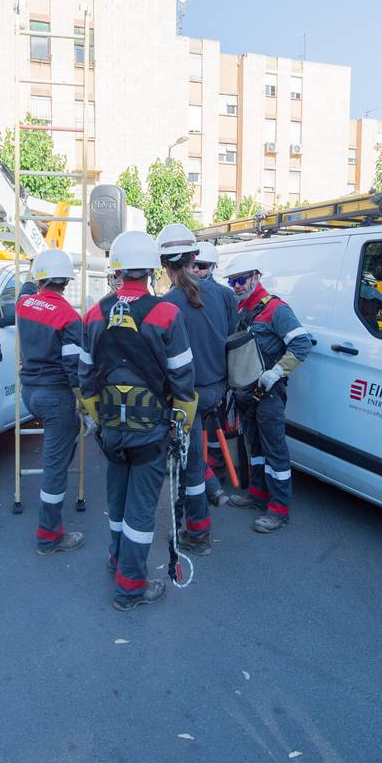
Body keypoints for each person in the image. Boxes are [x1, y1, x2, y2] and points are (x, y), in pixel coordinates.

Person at [80, 231, 197, 611]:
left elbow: (85, 380)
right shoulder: (167, 314)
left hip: (111, 430)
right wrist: (183, 427)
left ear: (116, 270)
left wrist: (100, 421)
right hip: (150, 431)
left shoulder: (94, 314)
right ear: (151, 269)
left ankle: (117, 559)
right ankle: (130, 587)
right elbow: (183, 380)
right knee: (142, 510)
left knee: (118, 501)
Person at [157, 225, 235, 555]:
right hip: (217, 390)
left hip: (189, 396)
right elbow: (230, 339)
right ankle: (213, 486)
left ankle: (198, 533)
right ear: (194, 258)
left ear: (164, 265)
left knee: (188, 465)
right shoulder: (225, 295)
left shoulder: (169, 303)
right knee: (192, 458)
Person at [223, 255, 312, 533]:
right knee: (255, 447)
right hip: (246, 393)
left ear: (256, 277)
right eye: (232, 281)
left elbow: (301, 344)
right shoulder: (241, 311)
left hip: (268, 393)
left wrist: (277, 372)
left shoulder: (276, 309)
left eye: (241, 280)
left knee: (274, 450)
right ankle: (258, 493)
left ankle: (278, 508)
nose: (236, 286)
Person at [17, 248, 86, 555]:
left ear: (40, 277)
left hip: (29, 394)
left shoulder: (23, 304)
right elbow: (74, 371)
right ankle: (48, 536)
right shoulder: (70, 317)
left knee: (61, 452)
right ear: (67, 283)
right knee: (56, 467)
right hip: (55, 396)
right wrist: (85, 403)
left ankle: (52, 529)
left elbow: (26, 289)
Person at [191, 239, 239, 504]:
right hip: (215, 380)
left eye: (202, 266)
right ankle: (210, 473)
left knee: (204, 430)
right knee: (205, 428)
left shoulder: (223, 294)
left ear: (212, 267)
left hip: (203, 380)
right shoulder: (225, 295)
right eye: (195, 265)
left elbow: (232, 335)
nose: (197, 270)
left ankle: (211, 472)